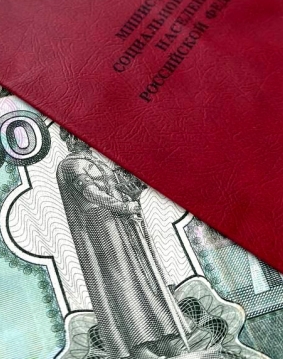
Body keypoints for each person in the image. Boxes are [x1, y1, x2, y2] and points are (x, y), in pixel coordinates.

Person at [56, 129, 186, 359]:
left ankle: (164, 337)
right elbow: (92, 194)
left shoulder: (96, 161)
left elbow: (120, 189)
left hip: (123, 228)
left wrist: (132, 194)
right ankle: (139, 346)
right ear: (71, 138)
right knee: (122, 284)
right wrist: (125, 207)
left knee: (143, 278)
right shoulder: (70, 165)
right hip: (102, 233)